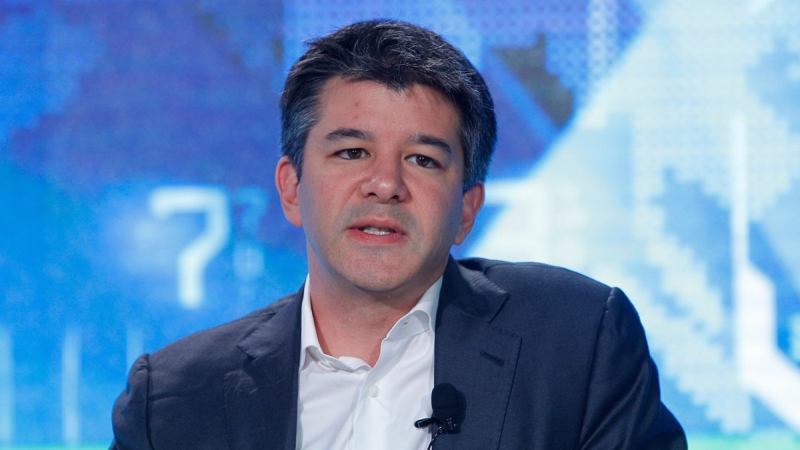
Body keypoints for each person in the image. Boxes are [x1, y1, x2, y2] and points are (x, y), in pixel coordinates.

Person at [112, 19, 687, 449]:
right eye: (352, 152)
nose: (385, 184)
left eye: (422, 160)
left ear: (467, 209)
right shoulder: (173, 402)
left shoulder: (576, 343)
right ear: (291, 188)